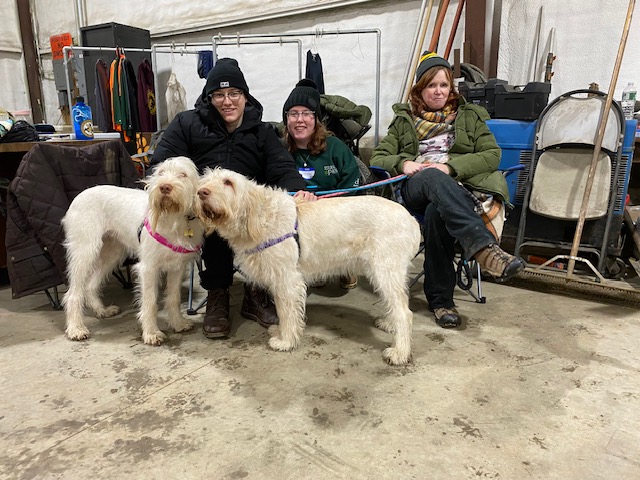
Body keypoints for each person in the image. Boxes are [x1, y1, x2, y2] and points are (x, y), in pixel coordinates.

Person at [152, 58, 315, 339]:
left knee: (262, 225)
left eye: (234, 93)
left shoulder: (261, 131)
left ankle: (256, 292)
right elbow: (162, 162)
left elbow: (281, 167)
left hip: (246, 212)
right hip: (200, 207)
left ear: (245, 96)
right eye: (219, 94)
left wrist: (297, 189)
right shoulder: (187, 124)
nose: (227, 101)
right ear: (209, 97)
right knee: (215, 224)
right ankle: (218, 292)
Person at [370, 51, 525, 329]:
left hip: (460, 190)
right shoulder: (405, 120)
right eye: (431, 85)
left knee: (436, 214)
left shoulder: (469, 117)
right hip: (416, 188)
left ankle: (442, 302)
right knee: (430, 176)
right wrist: (403, 163)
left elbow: (492, 155)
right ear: (420, 90)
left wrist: (450, 167)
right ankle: (482, 248)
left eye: (443, 85)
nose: (438, 91)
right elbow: (379, 157)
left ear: (450, 88)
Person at [282, 79, 360, 289]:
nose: (300, 120)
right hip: (296, 214)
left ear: (316, 119)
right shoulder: (280, 149)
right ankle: (311, 266)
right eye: (293, 114)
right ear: (286, 119)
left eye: (306, 113)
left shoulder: (335, 146)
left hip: (333, 212)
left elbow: (353, 180)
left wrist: (328, 203)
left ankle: (345, 263)